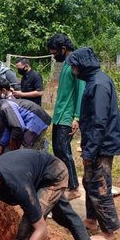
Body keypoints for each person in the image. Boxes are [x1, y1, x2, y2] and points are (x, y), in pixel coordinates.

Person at [67, 47, 120, 240]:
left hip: (102, 145)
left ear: (82, 66)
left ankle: (109, 231)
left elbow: (100, 121)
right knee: (88, 182)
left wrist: (90, 151)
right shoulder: (95, 81)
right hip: (95, 142)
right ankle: (91, 219)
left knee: (99, 185)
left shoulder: (99, 85)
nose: (73, 71)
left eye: (74, 67)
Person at [46, 34, 84, 200]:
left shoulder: (76, 64)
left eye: (55, 52)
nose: (54, 56)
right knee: (58, 149)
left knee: (64, 150)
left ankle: (74, 187)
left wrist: (77, 116)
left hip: (68, 116)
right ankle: (64, 182)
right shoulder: (66, 65)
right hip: (59, 116)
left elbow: (80, 91)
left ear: (63, 49)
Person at [0, 90, 51, 155]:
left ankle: (42, 153)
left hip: (37, 120)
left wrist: (13, 139)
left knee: (27, 150)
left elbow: (18, 126)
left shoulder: (5, 106)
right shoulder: (2, 107)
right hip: (33, 119)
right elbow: (8, 127)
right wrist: (1, 144)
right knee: (23, 147)